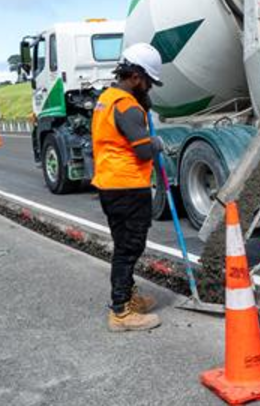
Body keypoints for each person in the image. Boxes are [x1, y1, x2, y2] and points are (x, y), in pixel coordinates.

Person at [91, 42, 166, 332]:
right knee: (129, 247)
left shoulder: (107, 98)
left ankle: (128, 299)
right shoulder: (127, 106)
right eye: (148, 81)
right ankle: (121, 311)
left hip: (110, 184)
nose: (149, 87)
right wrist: (158, 143)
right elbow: (144, 150)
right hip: (127, 186)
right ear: (136, 77)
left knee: (124, 244)